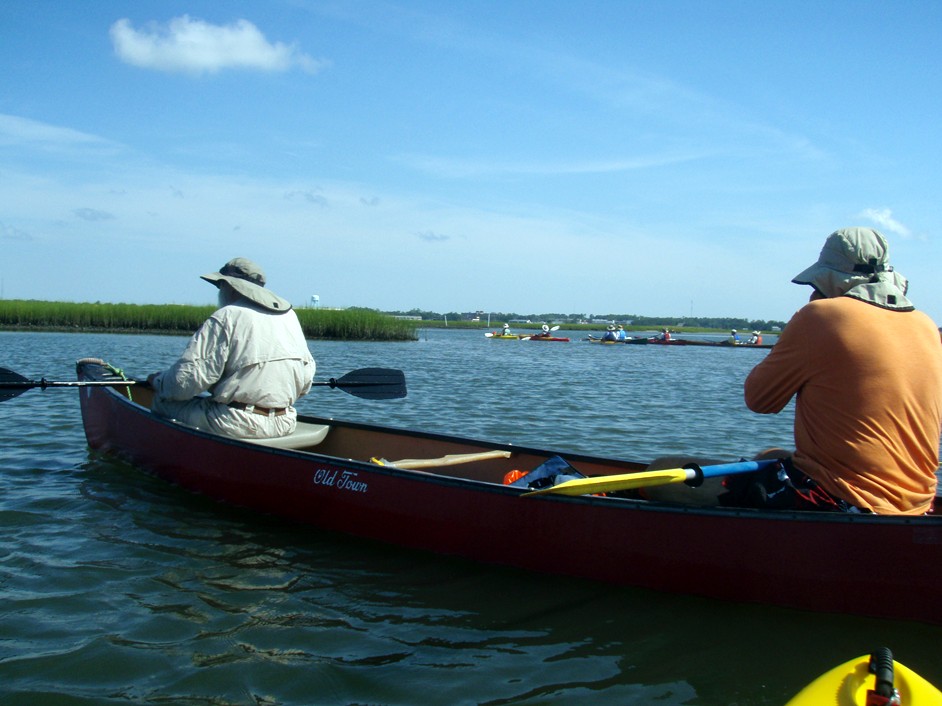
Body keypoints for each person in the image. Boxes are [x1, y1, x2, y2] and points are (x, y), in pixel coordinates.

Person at [742, 227, 942, 515]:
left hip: (846, 502)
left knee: (683, 476)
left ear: (828, 280)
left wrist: (806, 323)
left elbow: (759, 400)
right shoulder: (925, 325)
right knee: (772, 456)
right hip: (919, 505)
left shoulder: (820, 317)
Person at [147, 258, 315, 440]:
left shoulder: (226, 316)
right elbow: (306, 381)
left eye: (221, 285)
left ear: (232, 287)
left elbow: (184, 382)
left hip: (237, 423)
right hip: (284, 421)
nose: (220, 291)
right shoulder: (289, 317)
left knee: (161, 401)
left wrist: (159, 381)